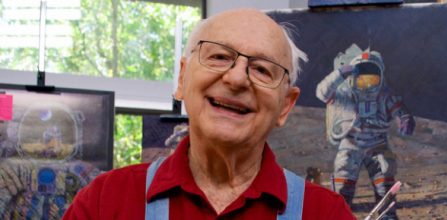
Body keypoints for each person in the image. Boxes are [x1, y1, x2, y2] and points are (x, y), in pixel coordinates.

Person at [63, 8, 355, 219]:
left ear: (285, 106)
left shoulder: (326, 213)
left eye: (262, 70)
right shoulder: (104, 203)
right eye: (219, 57)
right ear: (182, 79)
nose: (237, 79)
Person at [316, 44, 415, 220]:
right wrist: (340, 73)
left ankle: (387, 216)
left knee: (385, 172)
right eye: (362, 81)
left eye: (372, 81)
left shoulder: (385, 95)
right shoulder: (345, 95)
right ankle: (340, 215)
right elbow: (322, 93)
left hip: (377, 144)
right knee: (343, 172)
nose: (367, 86)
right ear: (353, 79)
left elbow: (401, 111)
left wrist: (406, 119)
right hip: (351, 143)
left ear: (381, 78)